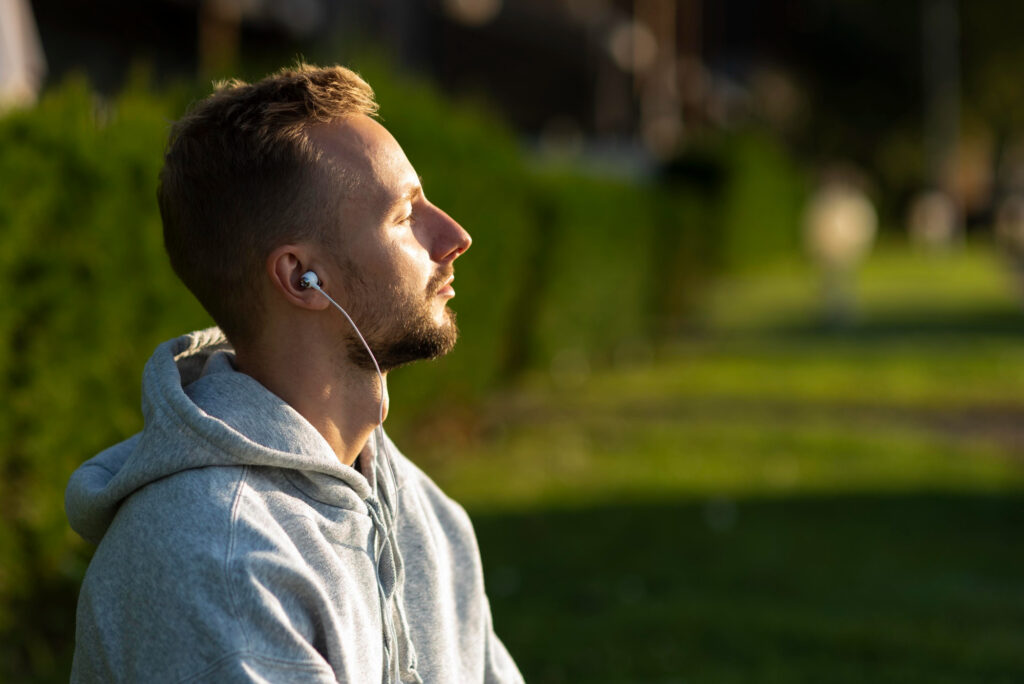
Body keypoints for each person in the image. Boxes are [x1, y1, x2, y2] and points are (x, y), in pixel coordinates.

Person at [65, 63, 524, 683]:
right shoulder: (221, 560)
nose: (454, 235)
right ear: (302, 278)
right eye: (403, 214)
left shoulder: (427, 516)